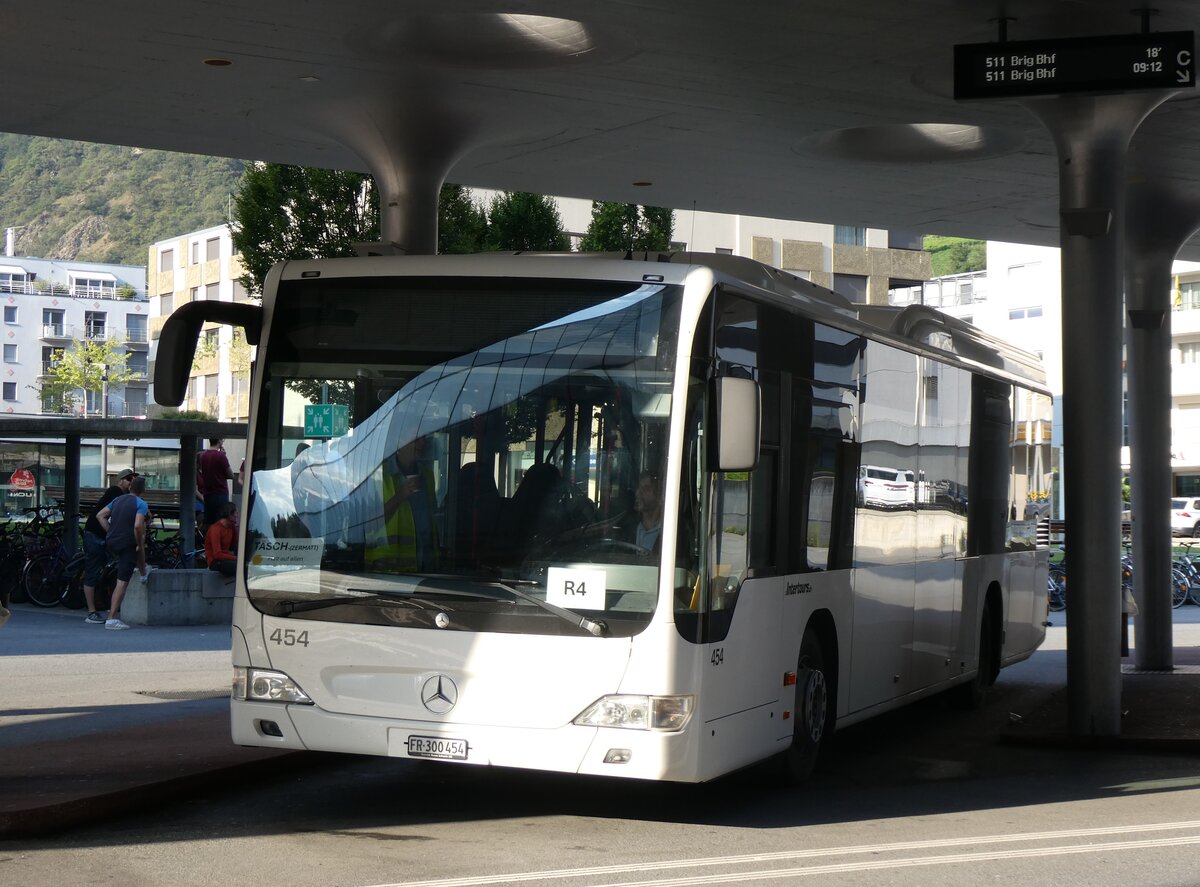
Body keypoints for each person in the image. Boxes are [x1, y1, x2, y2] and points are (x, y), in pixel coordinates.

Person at [366, 437, 437, 572]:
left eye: (424, 438)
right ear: (399, 441)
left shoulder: (427, 476)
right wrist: (400, 496)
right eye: (417, 438)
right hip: (388, 570)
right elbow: (368, 525)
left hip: (426, 568)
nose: (422, 443)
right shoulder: (378, 475)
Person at [81, 467, 137, 624]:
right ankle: (91, 612)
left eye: (133, 479)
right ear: (120, 481)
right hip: (95, 535)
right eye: (128, 479)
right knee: (92, 570)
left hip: (103, 536)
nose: (131, 482)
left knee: (109, 568)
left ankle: (106, 603)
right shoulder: (116, 491)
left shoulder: (124, 495)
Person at [96, 475, 150, 631]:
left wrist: (110, 531)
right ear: (143, 490)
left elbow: (100, 515)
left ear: (130, 487)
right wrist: (139, 542)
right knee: (122, 581)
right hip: (126, 543)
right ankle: (111, 618)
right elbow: (138, 525)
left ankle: (142, 572)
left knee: (136, 551)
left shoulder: (118, 500)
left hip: (112, 541)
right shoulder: (141, 504)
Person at [197, 437, 233, 529]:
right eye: (222, 440)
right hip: (220, 493)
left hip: (208, 494)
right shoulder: (221, 456)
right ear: (219, 440)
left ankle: (207, 541)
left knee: (209, 522)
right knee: (221, 522)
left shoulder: (203, 456)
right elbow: (230, 475)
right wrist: (224, 456)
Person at [205, 501, 239, 578]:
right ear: (230, 514)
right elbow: (217, 554)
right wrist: (237, 558)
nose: (237, 515)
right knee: (239, 566)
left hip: (226, 558)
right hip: (215, 561)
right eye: (236, 513)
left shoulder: (232, 527)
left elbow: (234, 546)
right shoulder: (215, 529)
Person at [633, 470, 664, 554]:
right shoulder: (630, 528)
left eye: (646, 489)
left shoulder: (670, 533)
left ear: (660, 498)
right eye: (639, 488)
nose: (638, 493)